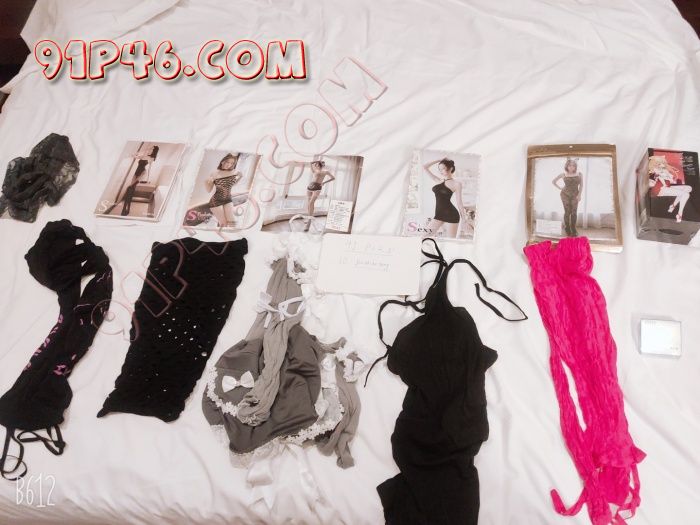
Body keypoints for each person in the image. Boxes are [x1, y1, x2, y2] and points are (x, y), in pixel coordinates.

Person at [424, 158, 466, 238]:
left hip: (451, 215)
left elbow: (459, 203)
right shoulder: (439, 180)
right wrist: (439, 159)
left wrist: (464, 220)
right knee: (424, 236)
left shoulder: (457, 184)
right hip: (438, 215)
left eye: (443, 168)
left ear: (451, 168)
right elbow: (425, 167)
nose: (441, 171)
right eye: (439, 169)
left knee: (450, 241)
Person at [648, 156, 692, 223]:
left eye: (662, 163)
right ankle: (679, 214)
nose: (661, 165)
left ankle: (673, 206)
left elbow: (669, 178)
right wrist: (653, 181)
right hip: (659, 190)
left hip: (665, 186)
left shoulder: (662, 170)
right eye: (659, 163)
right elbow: (650, 184)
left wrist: (668, 178)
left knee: (689, 188)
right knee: (686, 194)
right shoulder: (652, 172)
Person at [205, 153, 244, 227]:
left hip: (228, 199)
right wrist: (207, 182)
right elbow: (208, 190)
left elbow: (231, 185)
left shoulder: (234, 172)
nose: (229, 165)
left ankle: (231, 234)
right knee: (224, 224)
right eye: (227, 162)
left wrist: (240, 177)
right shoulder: (214, 173)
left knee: (232, 222)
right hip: (216, 201)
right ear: (222, 161)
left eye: (231, 163)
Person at [121, 145, 159, 216]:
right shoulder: (144, 156)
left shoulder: (152, 158)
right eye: (150, 148)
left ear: (154, 151)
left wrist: (147, 179)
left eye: (152, 149)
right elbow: (133, 155)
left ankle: (125, 208)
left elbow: (149, 169)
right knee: (130, 190)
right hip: (136, 173)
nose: (150, 150)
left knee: (129, 188)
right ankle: (127, 208)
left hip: (142, 173)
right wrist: (146, 149)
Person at [552, 158, 583, 237]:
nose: (571, 167)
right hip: (565, 195)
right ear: (567, 166)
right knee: (567, 212)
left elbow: (581, 185)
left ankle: (573, 228)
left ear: (575, 166)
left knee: (574, 212)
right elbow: (553, 181)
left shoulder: (579, 174)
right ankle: (567, 228)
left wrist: (579, 195)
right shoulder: (563, 174)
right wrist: (560, 188)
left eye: (573, 165)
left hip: (575, 195)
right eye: (570, 165)